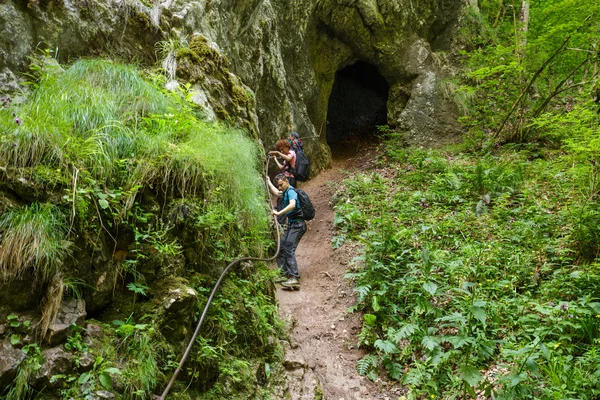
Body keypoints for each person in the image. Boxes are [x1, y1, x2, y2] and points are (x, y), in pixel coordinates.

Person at [266, 173, 306, 288]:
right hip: (293, 224)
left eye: (281, 185)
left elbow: (292, 205)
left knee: (288, 248)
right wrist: (268, 181)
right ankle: (283, 273)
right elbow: (277, 193)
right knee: (282, 246)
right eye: (278, 185)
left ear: (286, 181)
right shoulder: (285, 192)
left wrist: (279, 212)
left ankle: (294, 277)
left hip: (298, 225)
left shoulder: (291, 191)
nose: (279, 187)